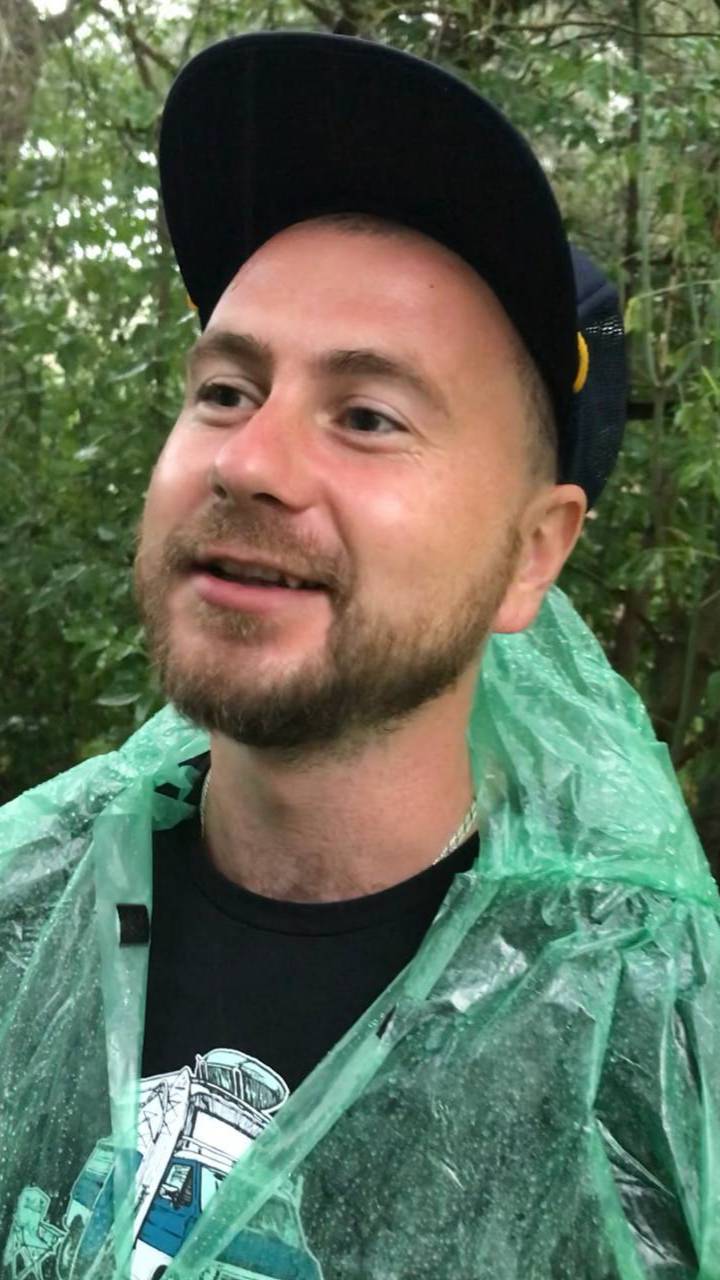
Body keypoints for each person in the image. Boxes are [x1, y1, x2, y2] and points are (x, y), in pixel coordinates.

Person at [1, 32, 718, 1280]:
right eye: (227, 390)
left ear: (531, 555)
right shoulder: (23, 915)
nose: (248, 461)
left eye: (369, 415)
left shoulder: (641, 1045)